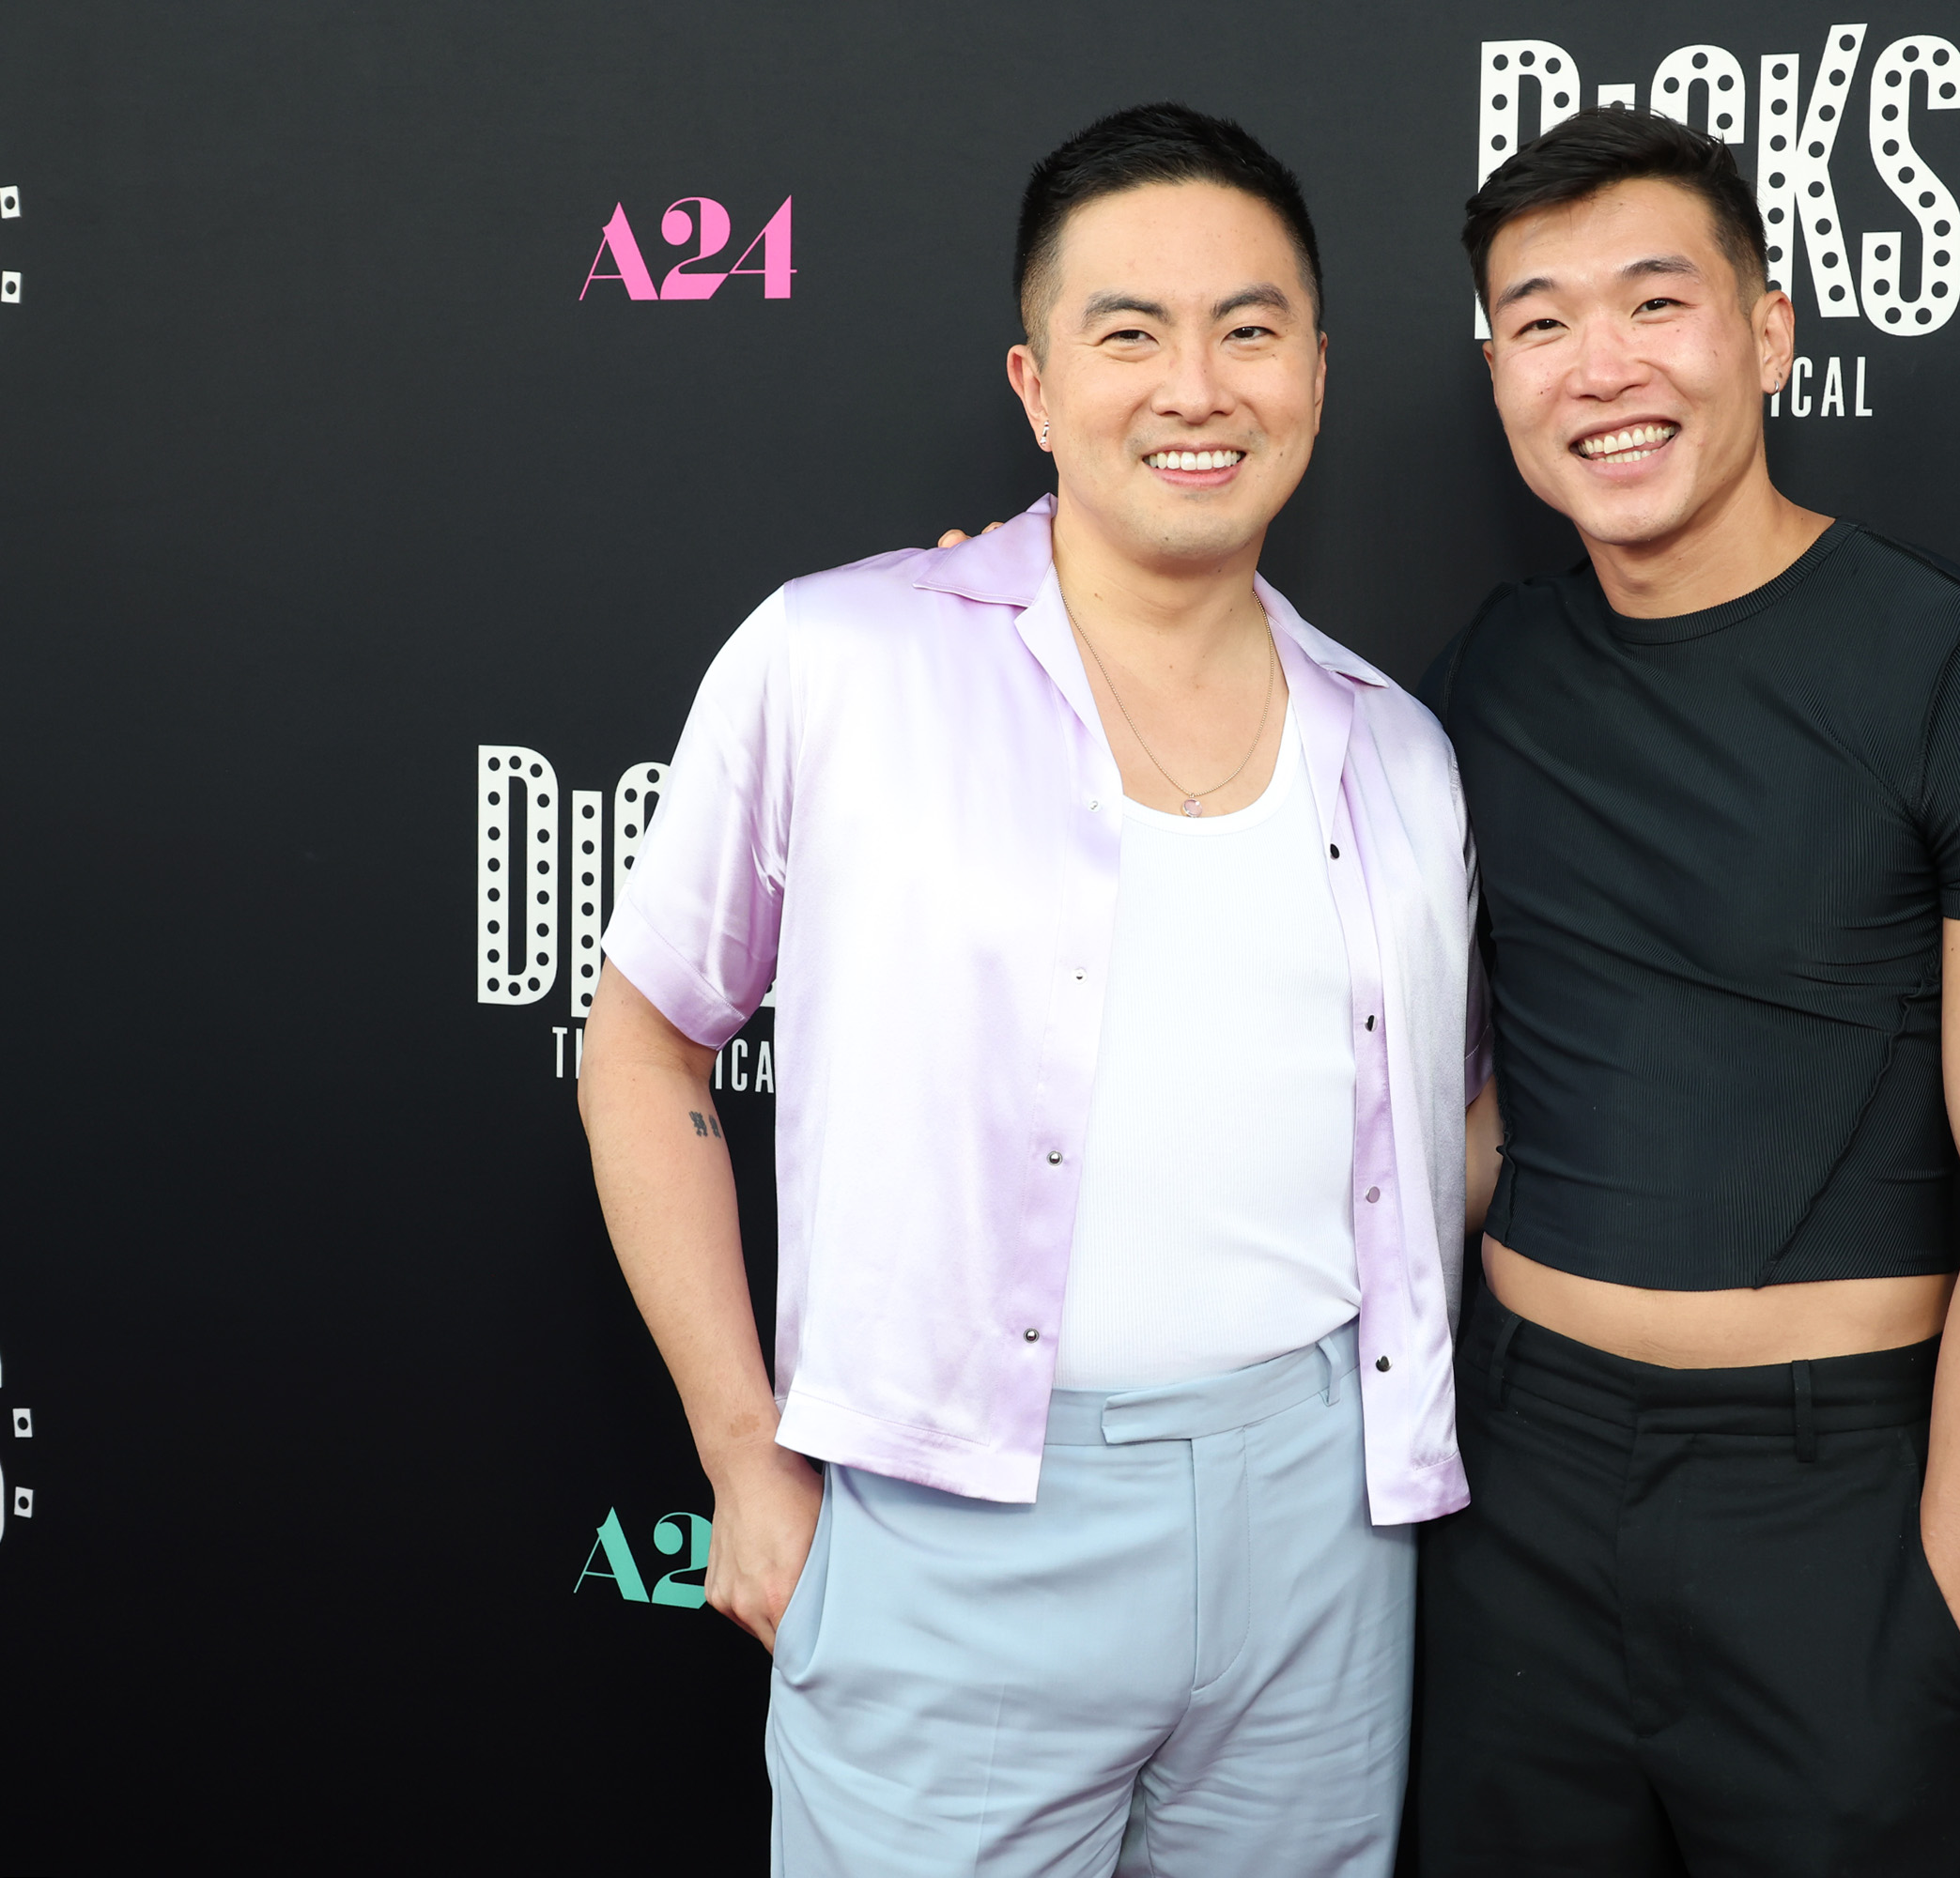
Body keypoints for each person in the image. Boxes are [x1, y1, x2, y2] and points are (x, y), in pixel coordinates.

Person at [577, 101, 1478, 1878]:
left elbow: (1445, 1133)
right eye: (1130, 333)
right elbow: (646, 1045)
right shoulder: (840, 658)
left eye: (1248, 329)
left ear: (1315, 373)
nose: (1196, 388)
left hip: (1324, 1538)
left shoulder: (1400, 748)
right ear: (1038, 385)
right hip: (952, 1528)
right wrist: (745, 1462)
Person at [1413, 108, 1960, 1875]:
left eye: (1655, 302)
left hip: (1828, 1507)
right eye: (1542, 322)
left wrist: (1934, 1633)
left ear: (1770, 333)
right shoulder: (1489, 673)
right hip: (1516, 1485)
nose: (1603, 367)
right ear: (1500, 376)